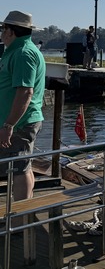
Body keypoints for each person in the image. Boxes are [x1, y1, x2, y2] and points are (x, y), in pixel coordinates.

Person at [0, 11, 46, 203]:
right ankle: (25, 210)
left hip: (20, 123)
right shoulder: (18, 51)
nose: (1, 33)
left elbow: (25, 92)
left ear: (11, 31)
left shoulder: (23, 53)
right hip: (19, 121)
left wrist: (9, 125)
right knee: (24, 165)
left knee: (19, 169)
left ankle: (20, 217)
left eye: (3, 29)